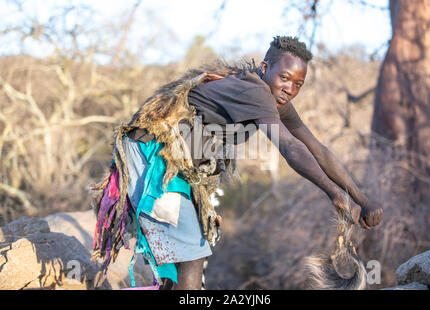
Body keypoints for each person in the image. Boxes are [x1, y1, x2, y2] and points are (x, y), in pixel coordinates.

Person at [92, 36, 383, 290]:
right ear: (265, 69)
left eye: (298, 84)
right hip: (152, 155)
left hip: (177, 165)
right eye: (285, 78)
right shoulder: (254, 90)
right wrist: (334, 194)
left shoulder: (276, 101)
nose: (290, 89)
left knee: (187, 256)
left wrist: (361, 197)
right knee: (192, 256)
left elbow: (316, 148)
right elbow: (290, 146)